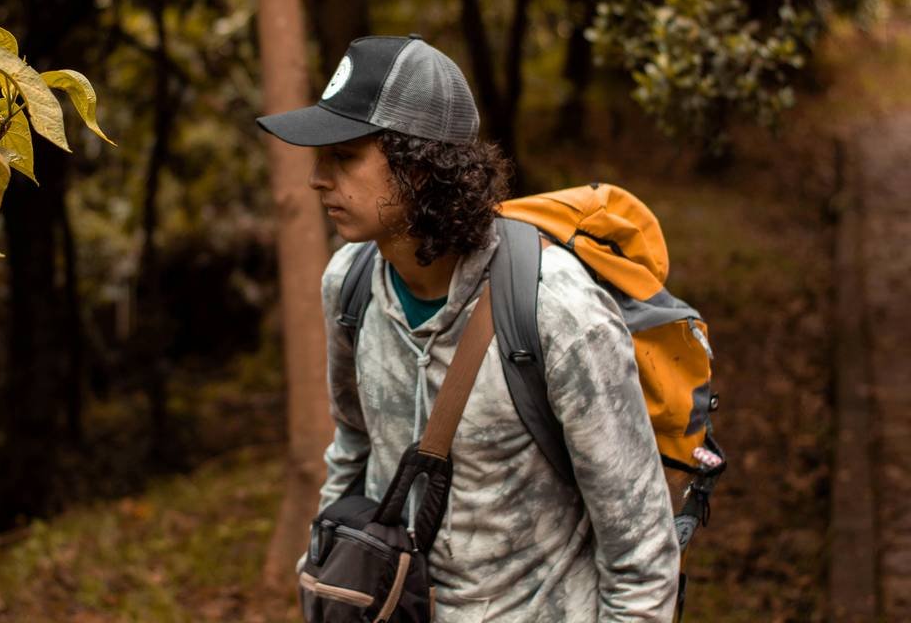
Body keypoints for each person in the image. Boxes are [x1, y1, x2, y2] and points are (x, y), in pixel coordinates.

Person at [256, 35, 680, 622]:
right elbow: (353, 450)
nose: (316, 179)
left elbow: (642, 555)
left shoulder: (556, 312)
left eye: (345, 155)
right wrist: (326, 584)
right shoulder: (347, 285)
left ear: (421, 166)